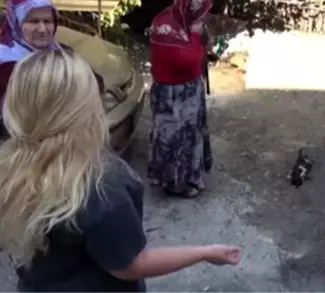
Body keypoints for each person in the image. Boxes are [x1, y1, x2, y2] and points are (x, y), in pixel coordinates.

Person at [0, 50, 242, 293]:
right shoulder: (99, 186)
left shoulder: (10, 165)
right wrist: (205, 253)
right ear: (83, 109)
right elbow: (129, 266)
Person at [0, 0, 104, 137]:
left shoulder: (61, 50)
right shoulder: (5, 64)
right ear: (15, 22)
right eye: (33, 21)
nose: (42, 29)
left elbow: (95, 83)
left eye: (48, 21)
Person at [148, 0, 214, 198]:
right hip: (171, 93)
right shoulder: (165, 29)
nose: (203, 20)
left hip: (190, 88)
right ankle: (175, 183)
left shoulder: (182, 19)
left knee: (191, 135)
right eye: (200, 15)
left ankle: (192, 177)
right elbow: (191, 61)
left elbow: (202, 52)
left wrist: (197, 34)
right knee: (174, 138)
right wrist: (195, 35)